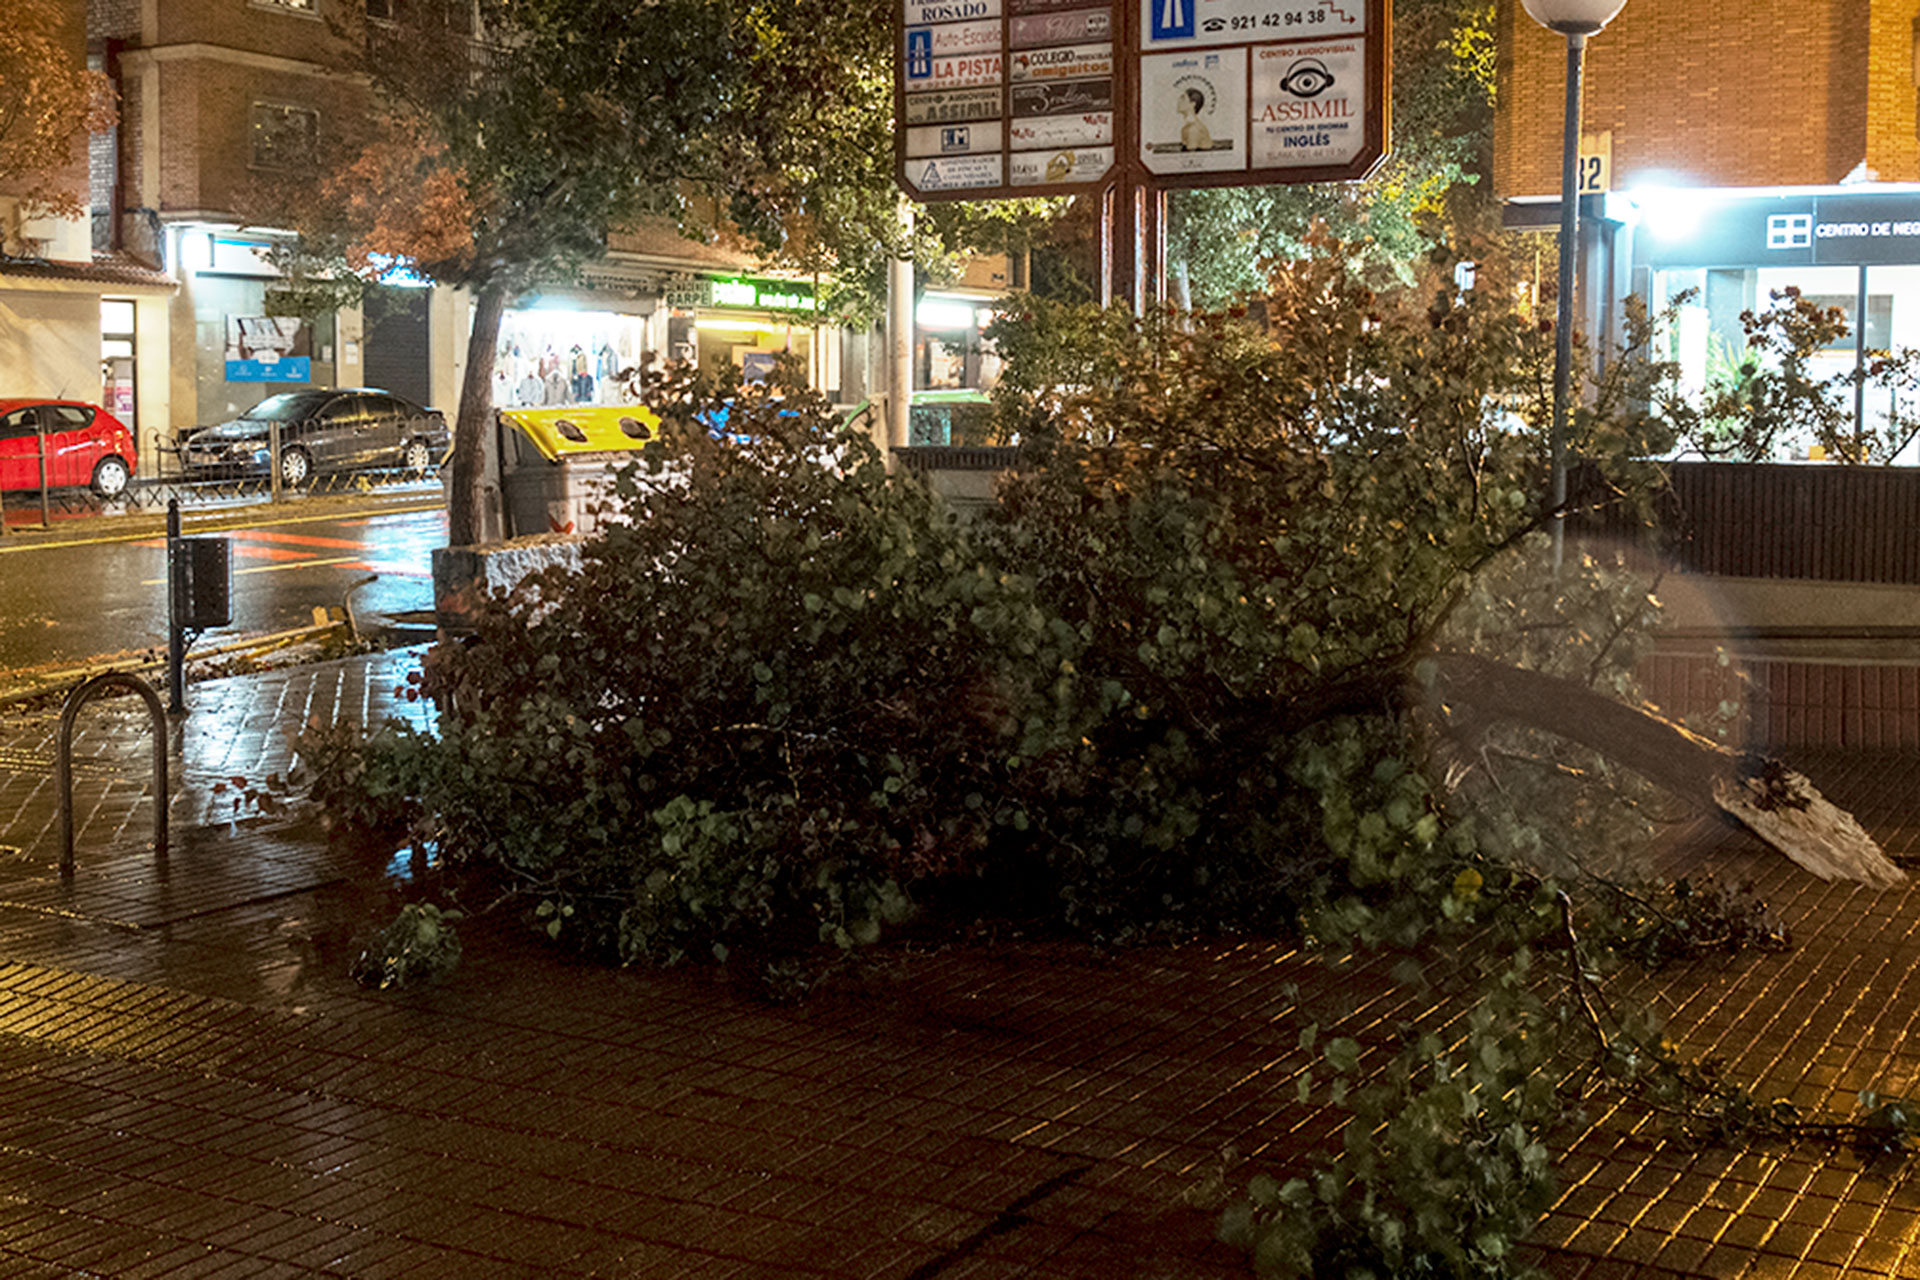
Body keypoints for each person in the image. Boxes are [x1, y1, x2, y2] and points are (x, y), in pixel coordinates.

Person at [1177, 85, 1213, 152]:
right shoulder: (1186, 128)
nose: (1179, 101)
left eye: (1183, 98)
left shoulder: (1193, 129)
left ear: (1193, 104)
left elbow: (1191, 158)